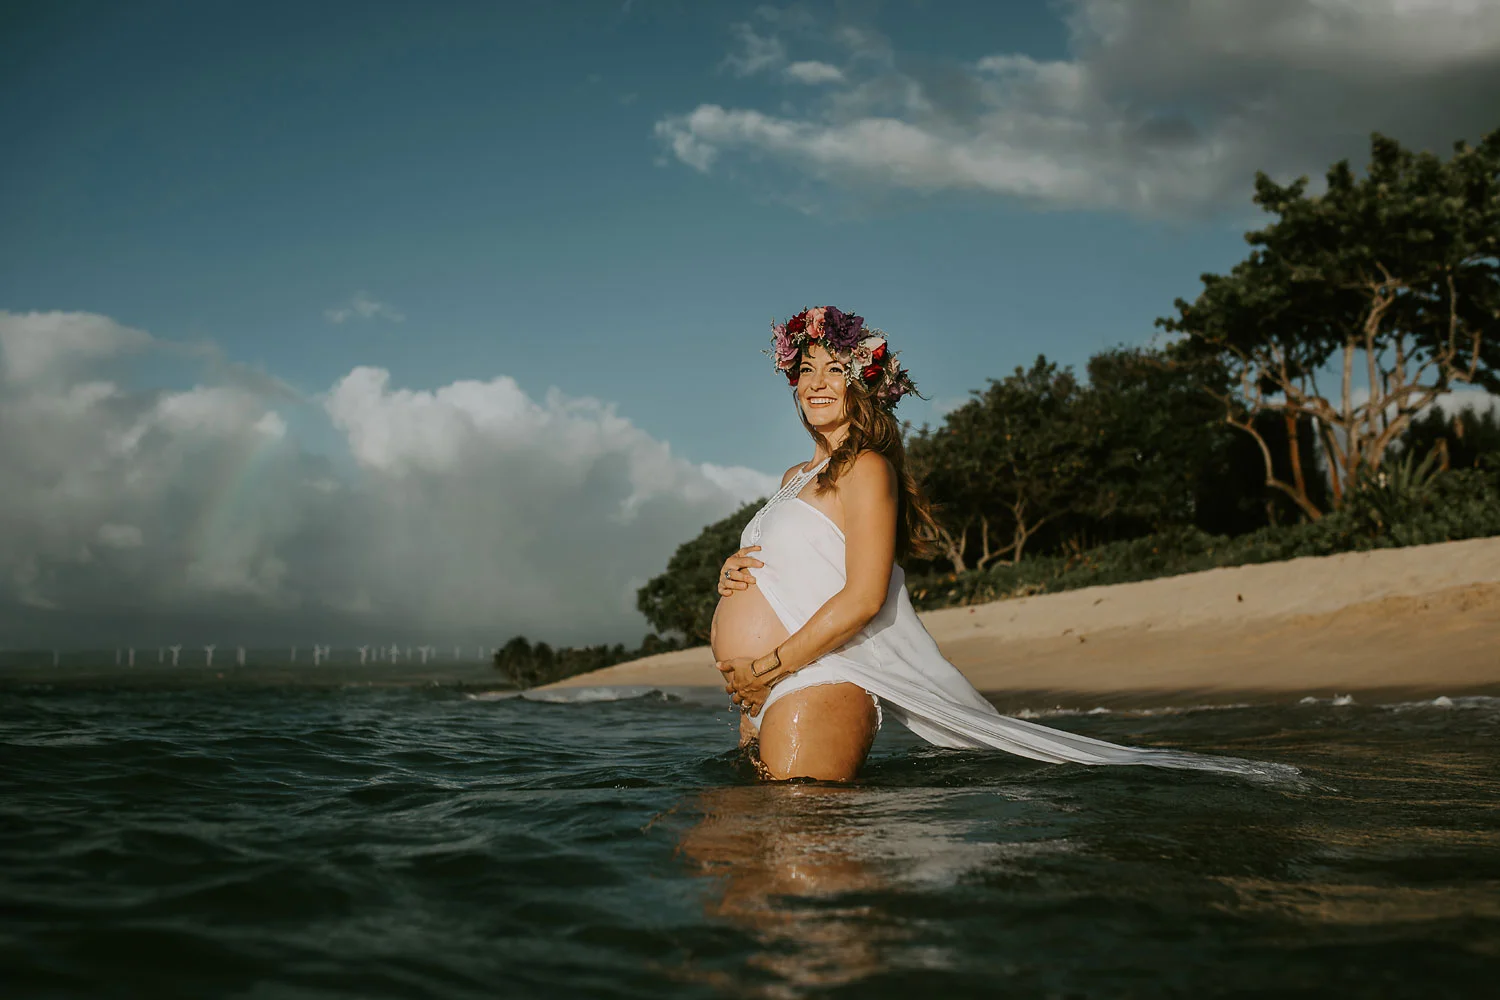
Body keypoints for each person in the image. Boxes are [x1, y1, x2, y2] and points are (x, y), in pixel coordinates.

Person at [711, 306, 1295, 783]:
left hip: (817, 679)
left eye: (835, 369)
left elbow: (864, 596)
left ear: (863, 382)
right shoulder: (794, 475)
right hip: (766, 688)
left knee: (803, 856)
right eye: (806, 368)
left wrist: (767, 666)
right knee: (750, 864)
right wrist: (739, 569)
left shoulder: (866, 468)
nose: (816, 383)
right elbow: (802, 558)